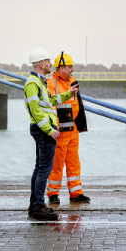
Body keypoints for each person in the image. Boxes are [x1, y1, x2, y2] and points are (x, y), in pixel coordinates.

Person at [25, 48, 78, 221]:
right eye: (48, 62)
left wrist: (68, 94)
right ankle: (38, 206)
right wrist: (49, 130)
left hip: (43, 129)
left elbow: (50, 101)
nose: (51, 64)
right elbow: (35, 111)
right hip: (44, 130)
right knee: (44, 171)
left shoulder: (40, 81)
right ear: (41, 64)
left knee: (39, 168)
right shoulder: (33, 83)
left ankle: (35, 205)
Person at [46, 52, 90, 204]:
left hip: (73, 131)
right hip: (59, 131)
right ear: (61, 67)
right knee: (56, 164)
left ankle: (76, 193)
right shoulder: (51, 82)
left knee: (73, 162)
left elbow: (77, 104)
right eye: (70, 67)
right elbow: (49, 104)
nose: (72, 70)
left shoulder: (73, 81)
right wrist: (52, 128)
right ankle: (52, 194)